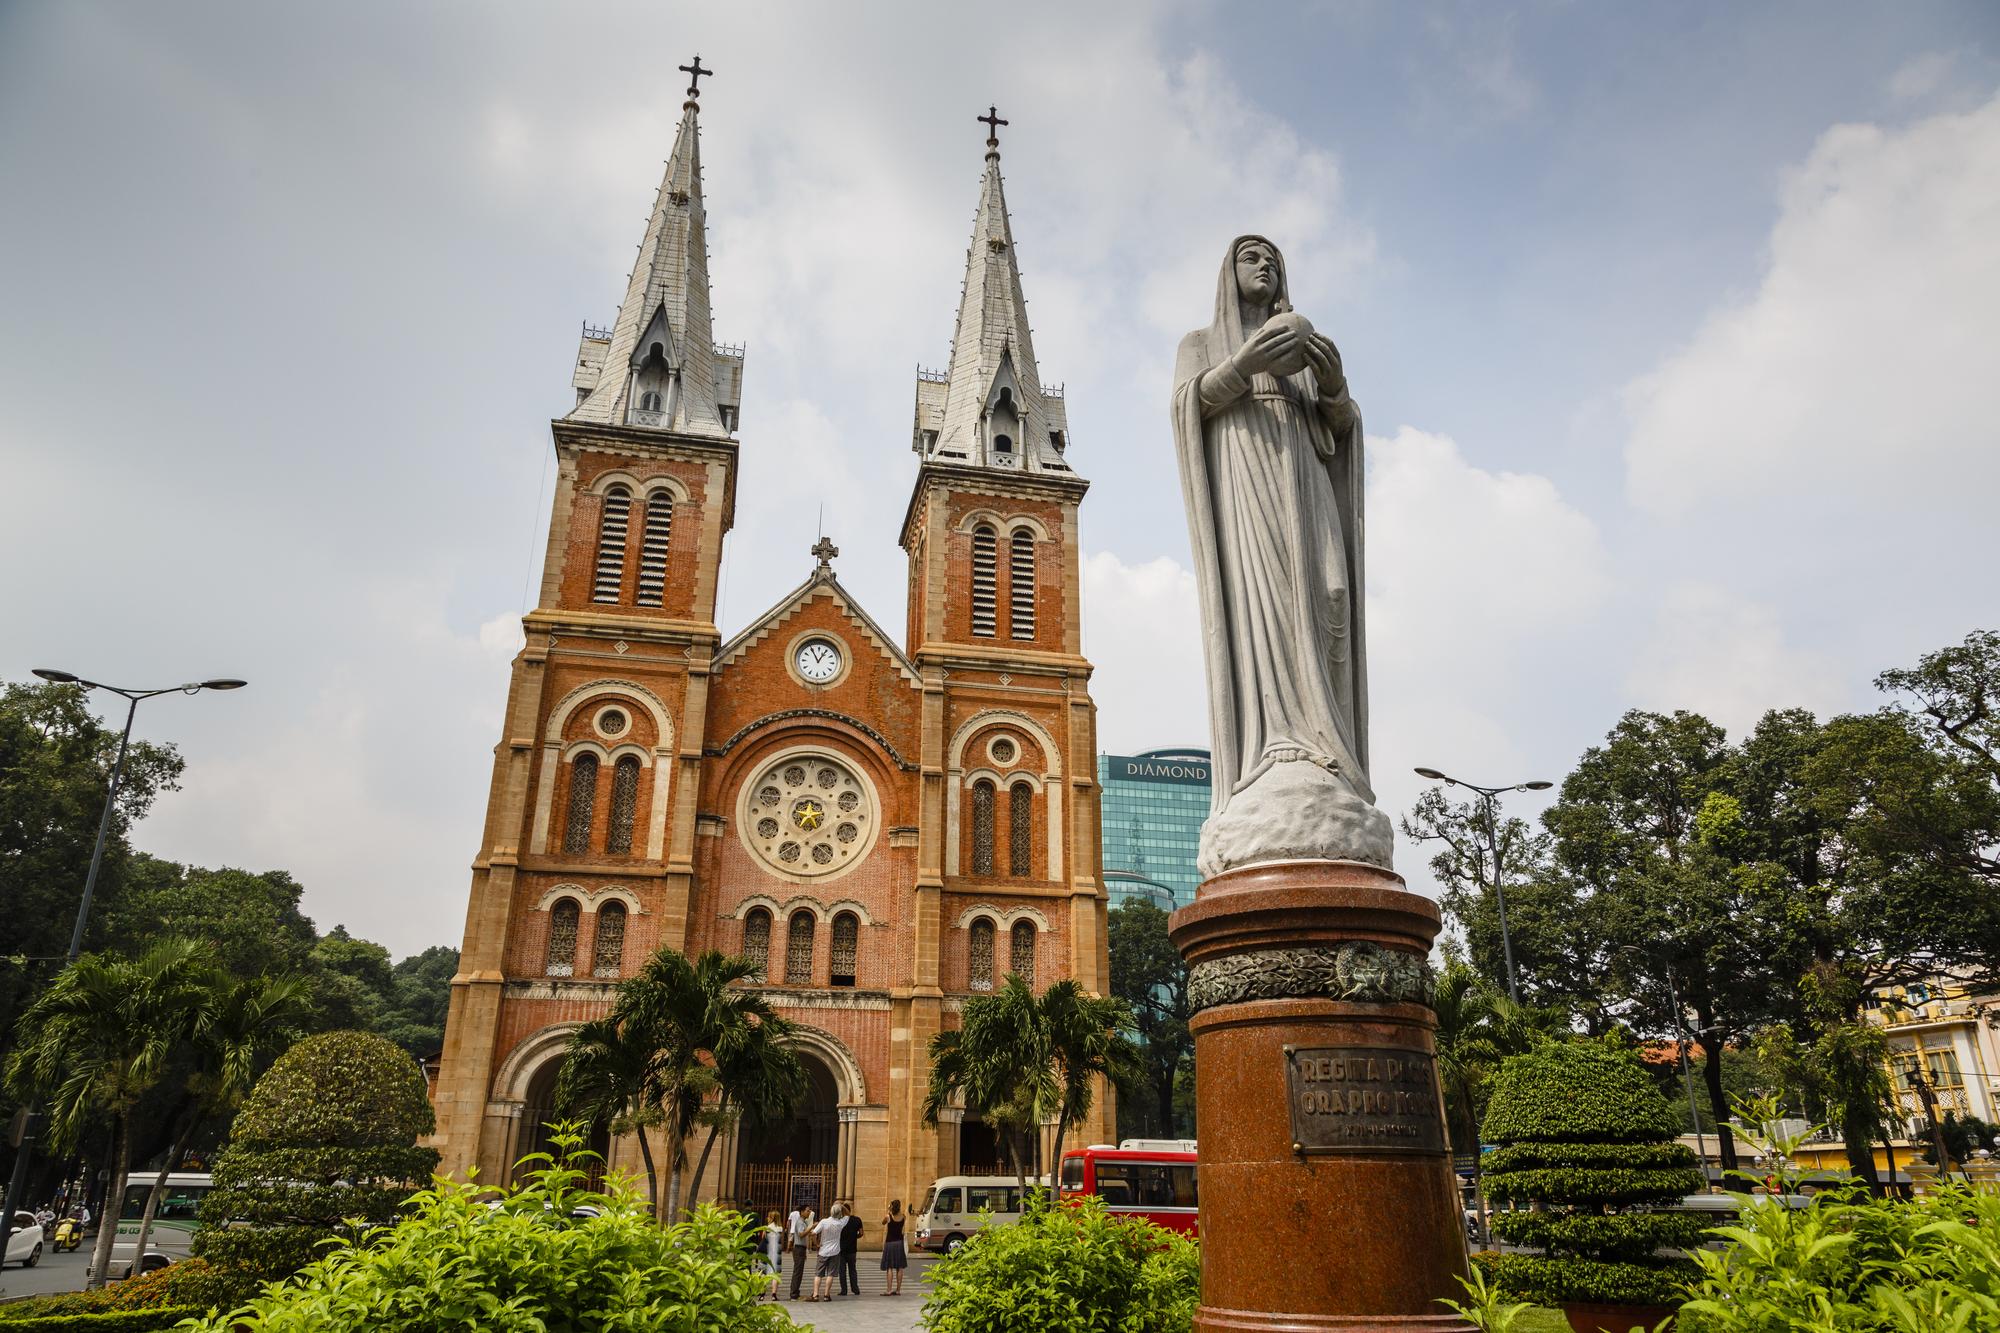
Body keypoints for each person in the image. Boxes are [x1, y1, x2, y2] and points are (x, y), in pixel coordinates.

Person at [810, 1202, 847, 1302]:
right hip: (835, 1251)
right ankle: (826, 1295)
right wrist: (842, 1206)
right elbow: (848, 1214)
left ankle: (816, 1294)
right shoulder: (841, 1223)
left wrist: (816, 1244)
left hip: (823, 1251)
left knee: (818, 1274)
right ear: (840, 1213)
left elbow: (813, 1233)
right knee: (830, 1274)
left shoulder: (824, 1222)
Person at [879, 1198, 907, 1295]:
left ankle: (889, 1290)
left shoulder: (888, 1216)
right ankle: (898, 1290)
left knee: (889, 1267)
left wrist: (888, 1210)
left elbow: (882, 1223)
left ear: (891, 1206)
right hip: (899, 1242)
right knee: (899, 1267)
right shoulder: (904, 1216)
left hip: (890, 1243)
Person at [788, 1205, 814, 1301]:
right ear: (802, 1212)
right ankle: (794, 1294)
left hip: (801, 1248)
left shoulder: (803, 1222)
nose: (809, 1212)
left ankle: (795, 1292)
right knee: (797, 1272)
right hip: (798, 1248)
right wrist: (812, 1227)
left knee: (799, 1271)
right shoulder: (799, 1222)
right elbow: (801, 1234)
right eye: (807, 1211)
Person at [838, 1200, 863, 1296]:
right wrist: (854, 1237)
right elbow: (861, 1233)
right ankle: (855, 1289)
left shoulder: (839, 1221)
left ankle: (844, 1290)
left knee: (842, 1271)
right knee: (853, 1270)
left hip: (841, 1249)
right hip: (852, 1249)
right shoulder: (857, 1220)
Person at [760, 1210, 785, 1301]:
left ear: (771, 1218)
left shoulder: (766, 1228)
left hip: (767, 1252)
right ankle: (774, 1295)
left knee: (763, 1273)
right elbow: (781, 1241)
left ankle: (762, 1294)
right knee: (775, 1274)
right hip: (777, 1253)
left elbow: (763, 1239)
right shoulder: (780, 1228)